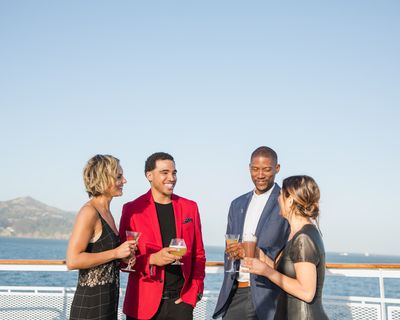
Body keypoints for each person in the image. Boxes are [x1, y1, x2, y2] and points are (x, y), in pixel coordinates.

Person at [119, 152, 206, 320]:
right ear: (149, 175)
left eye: (174, 173)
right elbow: (122, 261)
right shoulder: (132, 210)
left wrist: (195, 293)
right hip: (142, 305)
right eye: (164, 172)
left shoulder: (190, 208)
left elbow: (199, 255)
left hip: (180, 304)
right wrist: (152, 260)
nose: (171, 178)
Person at [213, 146, 290, 320]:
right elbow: (229, 245)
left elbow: (292, 250)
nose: (260, 175)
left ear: (277, 169)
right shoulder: (237, 204)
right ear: (249, 169)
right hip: (236, 291)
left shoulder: (287, 201)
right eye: (255, 169)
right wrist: (233, 251)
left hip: (270, 295)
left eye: (266, 169)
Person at [243, 175, 329, 320]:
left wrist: (266, 271)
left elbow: (306, 292)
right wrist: (262, 257)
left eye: (280, 195)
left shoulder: (303, 238)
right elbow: (289, 273)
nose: (278, 199)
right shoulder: (295, 233)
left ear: (289, 201)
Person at [67, 154, 136, 320]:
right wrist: (116, 253)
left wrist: (123, 259)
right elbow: (73, 260)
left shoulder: (107, 213)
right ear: (104, 179)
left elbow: (104, 255)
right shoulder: (89, 212)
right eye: (119, 176)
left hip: (108, 303)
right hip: (90, 306)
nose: (124, 181)